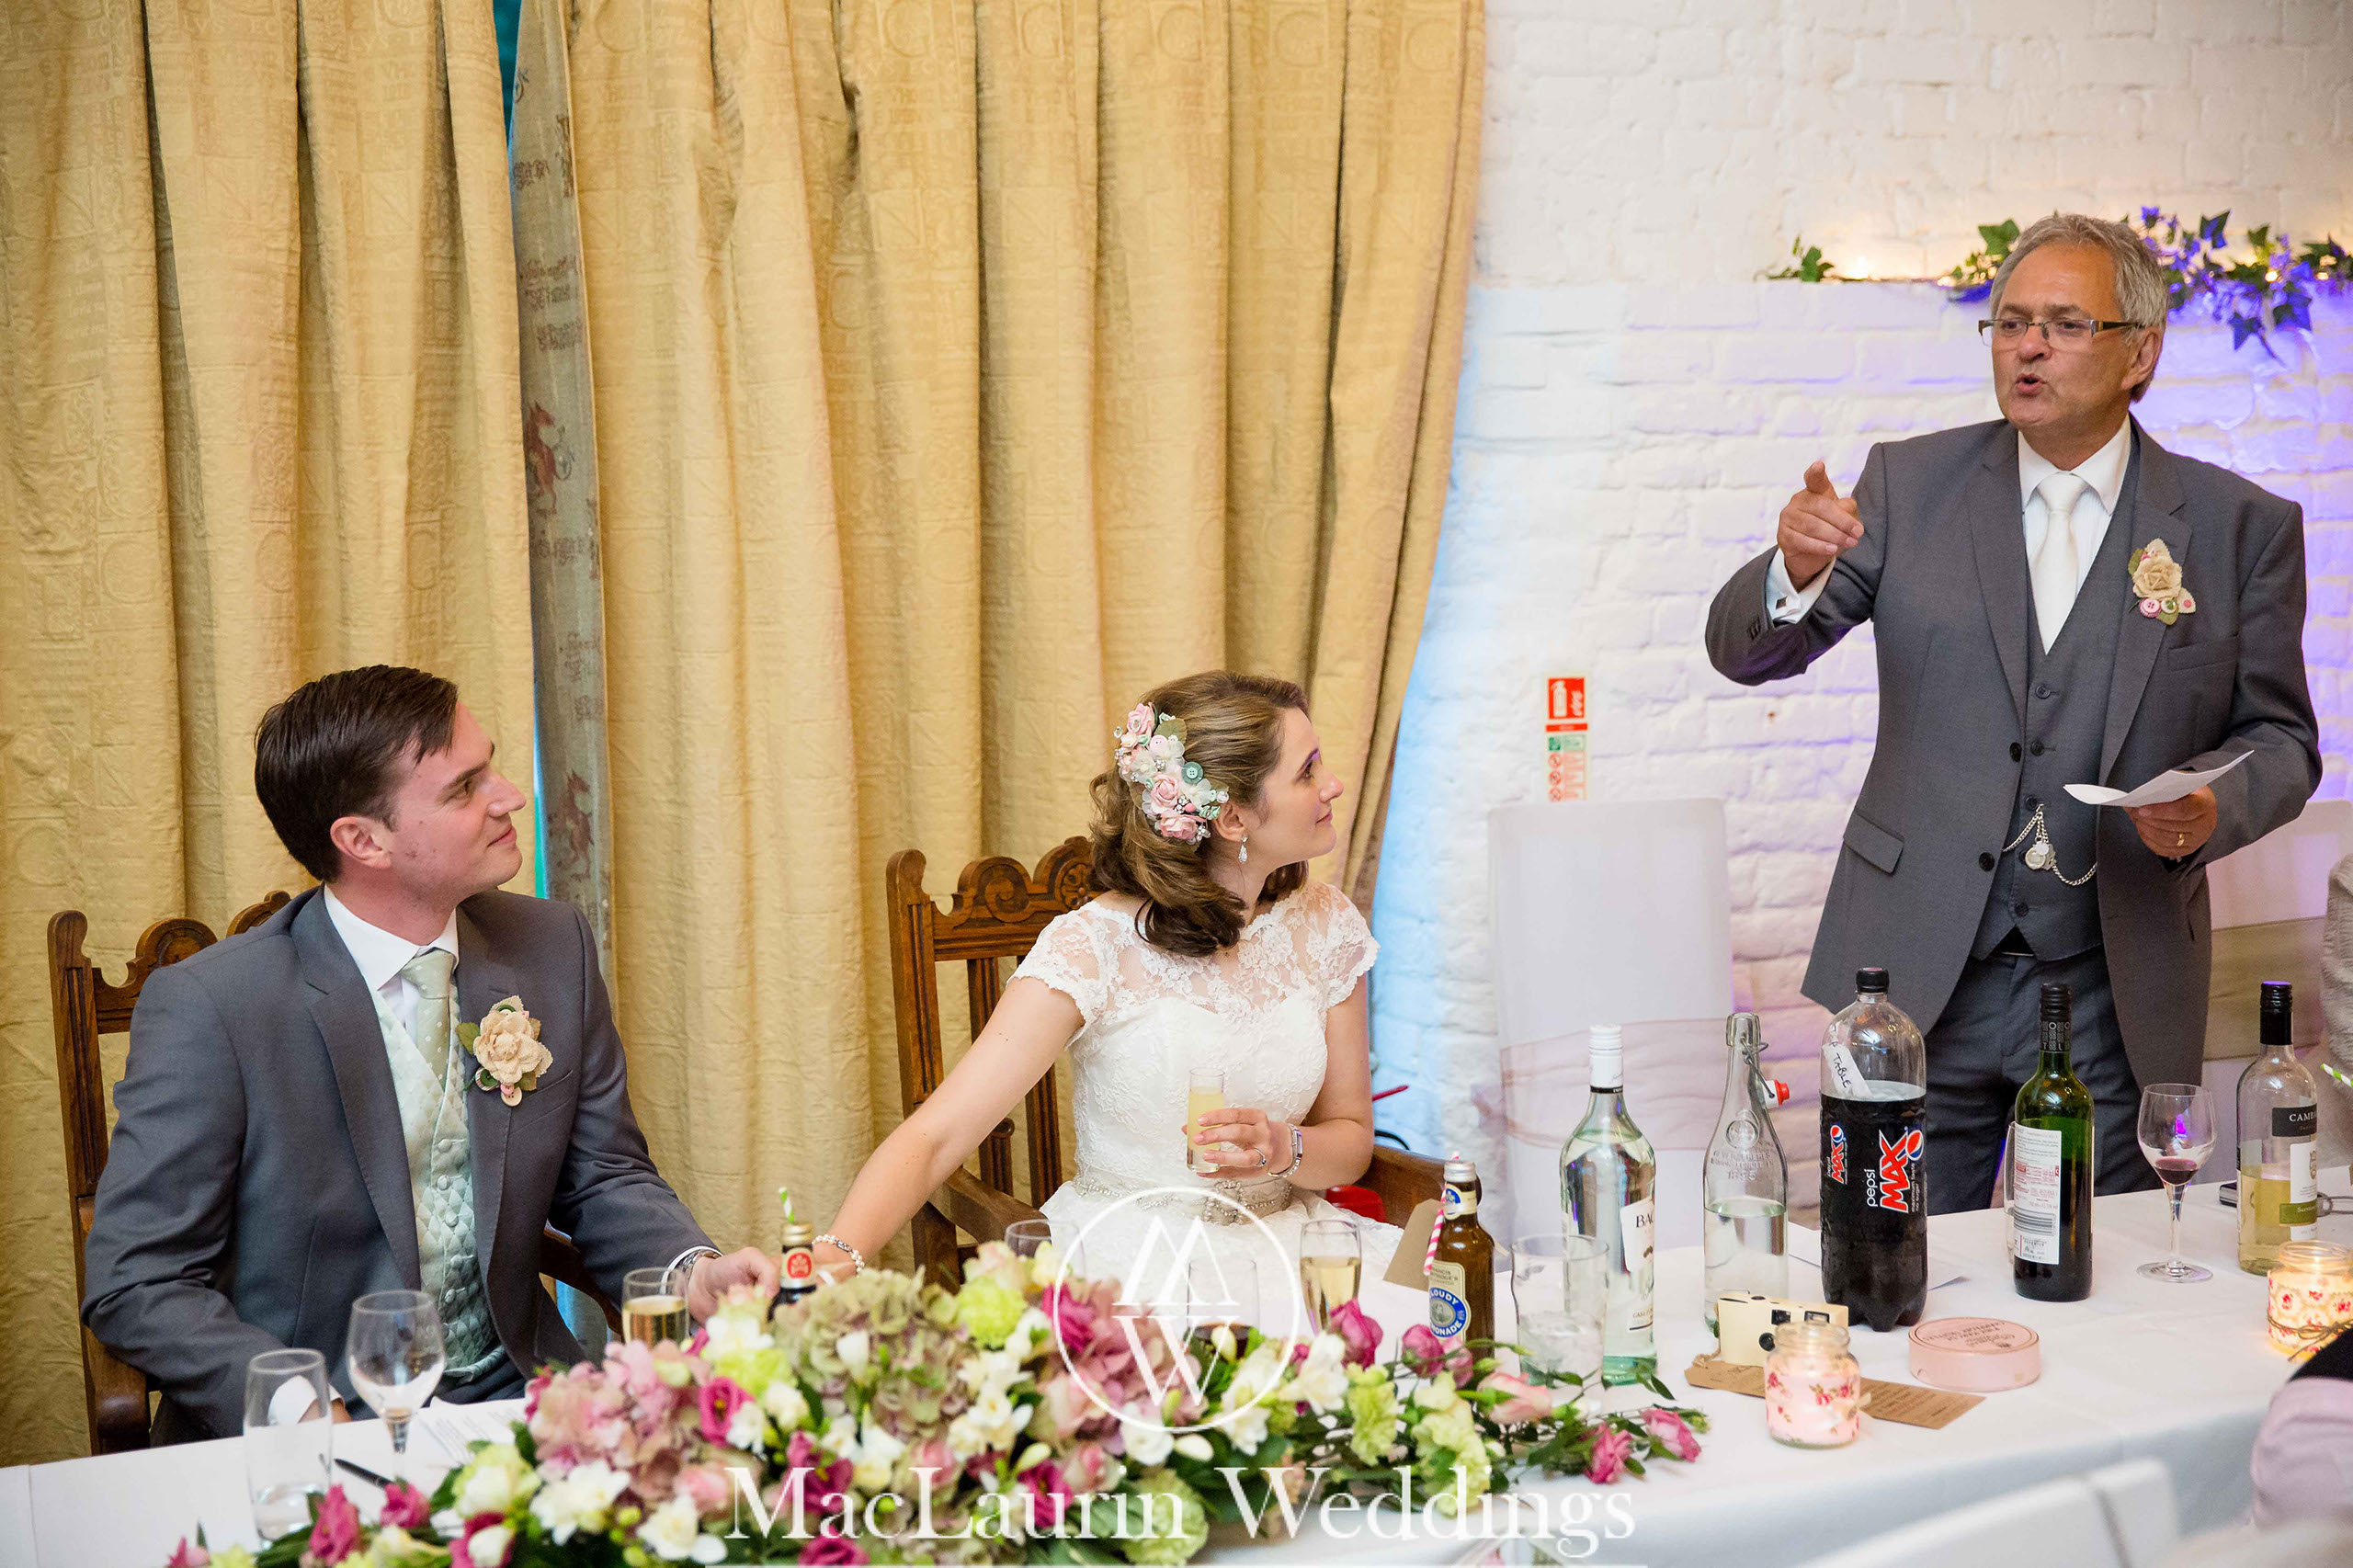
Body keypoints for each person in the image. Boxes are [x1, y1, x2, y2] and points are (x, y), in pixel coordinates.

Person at [1704, 212, 2320, 1213]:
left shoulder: (2237, 527)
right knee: (1882, 1259)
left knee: (2097, 1271)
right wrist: (1793, 567)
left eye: (2065, 324)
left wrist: (2213, 811)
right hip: (1913, 979)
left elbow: (2283, 740)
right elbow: (1747, 652)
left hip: (2116, 987)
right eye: (2008, 322)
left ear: (2140, 353)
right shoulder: (1908, 485)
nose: (2027, 345)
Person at [83, 665, 776, 1439]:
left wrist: (693, 1272)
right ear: (362, 841)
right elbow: (135, 1279)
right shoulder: (213, 1007)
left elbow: (605, 1175)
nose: (510, 796)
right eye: (464, 788)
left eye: (494, 767)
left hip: (527, 1398)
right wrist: (297, 1400)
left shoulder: (551, 947)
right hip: (325, 1425)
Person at [813, 670, 1398, 1290]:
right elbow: (935, 1137)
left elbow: (1352, 1138)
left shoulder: (1327, 927)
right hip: (1132, 1267)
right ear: (1232, 819)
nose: (1333, 785)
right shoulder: (1093, 947)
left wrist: (1287, 1149)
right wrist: (825, 1265)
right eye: (1307, 771)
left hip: (1291, 1252)